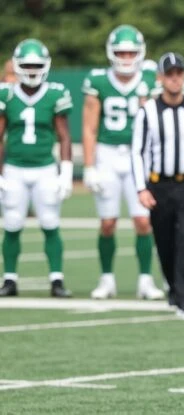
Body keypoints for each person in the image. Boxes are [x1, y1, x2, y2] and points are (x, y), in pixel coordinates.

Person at [131, 53, 184, 319]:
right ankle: (174, 289)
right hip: (159, 186)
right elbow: (138, 151)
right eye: (169, 74)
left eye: (179, 73)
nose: (175, 79)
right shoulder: (147, 112)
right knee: (164, 241)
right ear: (160, 78)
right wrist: (141, 188)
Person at [83, 25, 165, 300]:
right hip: (107, 154)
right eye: (121, 52)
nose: (126, 58)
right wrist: (89, 166)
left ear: (140, 53)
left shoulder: (150, 79)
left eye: (131, 52)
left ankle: (145, 280)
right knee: (108, 222)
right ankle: (106, 279)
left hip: (139, 156)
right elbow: (89, 128)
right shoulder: (98, 80)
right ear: (111, 53)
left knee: (143, 221)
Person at [0, 39, 74, 298]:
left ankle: (56, 279)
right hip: (14, 168)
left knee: (50, 223)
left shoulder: (55, 93)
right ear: (17, 66)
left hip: (45, 168)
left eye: (36, 65)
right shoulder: (7, 94)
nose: (32, 70)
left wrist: (66, 171)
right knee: (12, 224)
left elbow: (64, 135)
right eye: (27, 65)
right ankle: (9, 278)